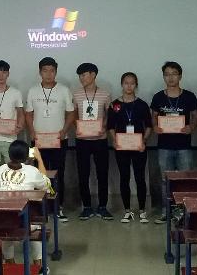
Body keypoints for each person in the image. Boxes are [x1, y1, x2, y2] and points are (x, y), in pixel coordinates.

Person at [0, 140, 51, 272]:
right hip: (25, 222)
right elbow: (46, 186)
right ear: (27, 156)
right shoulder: (32, 171)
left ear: (9, 154)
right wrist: (39, 159)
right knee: (36, 225)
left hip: (3, 220)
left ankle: (10, 263)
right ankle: (39, 265)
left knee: (6, 224)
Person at [26, 57, 74, 222]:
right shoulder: (32, 91)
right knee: (39, 174)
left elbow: (71, 113)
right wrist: (31, 131)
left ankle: (58, 207)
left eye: (52, 71)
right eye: (45, 70)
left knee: (58, 173)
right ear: (40, 72)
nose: (48, 74)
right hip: (38, 141)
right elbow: (28, 113)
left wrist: (64, 130)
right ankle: (41, 209)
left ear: (56, 72)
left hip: (59, 139)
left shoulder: (64, 90)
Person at [151, 61, 197, 224]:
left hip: (184, 146)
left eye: (174, 74)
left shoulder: (189, 96)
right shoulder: (158, 96)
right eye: (167, 74)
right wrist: (155, 126)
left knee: (184, 180)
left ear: (180, 76)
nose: (170, 77)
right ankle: (166, 211)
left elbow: (195, 116)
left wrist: (191, 127)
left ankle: (184, 212)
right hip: (164, 146)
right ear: (163, 77)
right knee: (166, 180)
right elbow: (154, 116)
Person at [107, 72, 153, 223]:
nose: (129, 86)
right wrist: (114, 140)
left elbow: (149, 126)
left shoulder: (142, 105)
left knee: (140, 178)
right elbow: (110, 126)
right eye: (126, 83)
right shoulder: (115, 105)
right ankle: (127, 211)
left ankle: (142, 210)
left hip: (139, 148)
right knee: (124, 178)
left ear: (136, 85)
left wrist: (144, 141)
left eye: (132, 83)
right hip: (122, 148)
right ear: (122, 85)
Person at [73, 63, 113, 220]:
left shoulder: (105, 94)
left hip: (100, 140)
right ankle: (87, 207)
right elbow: (73, 114)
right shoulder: (76, 94)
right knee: (83, 174)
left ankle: (103, 207)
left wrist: (104, 126)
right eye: (80, 76)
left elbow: (110, 116)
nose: (81, 78)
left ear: (93, 75)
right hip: (82, 140)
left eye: (84, 75)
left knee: (102, 174)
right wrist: (77, 125)